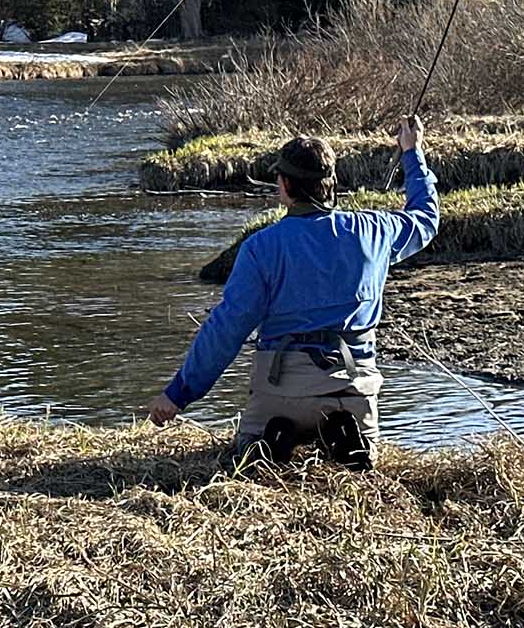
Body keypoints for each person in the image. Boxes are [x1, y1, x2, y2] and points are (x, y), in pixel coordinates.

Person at [146, 116, 438, 468]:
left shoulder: (260, 248)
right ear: (331, 183)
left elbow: (227, 329)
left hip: (280, 388)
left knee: (249, 453)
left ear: (283, 184)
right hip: (351, 387)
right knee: (361, 441)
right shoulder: (374, 230)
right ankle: (342, 433)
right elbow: (425, 217)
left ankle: (272, 439)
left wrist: (179, 394)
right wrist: (412, 152)